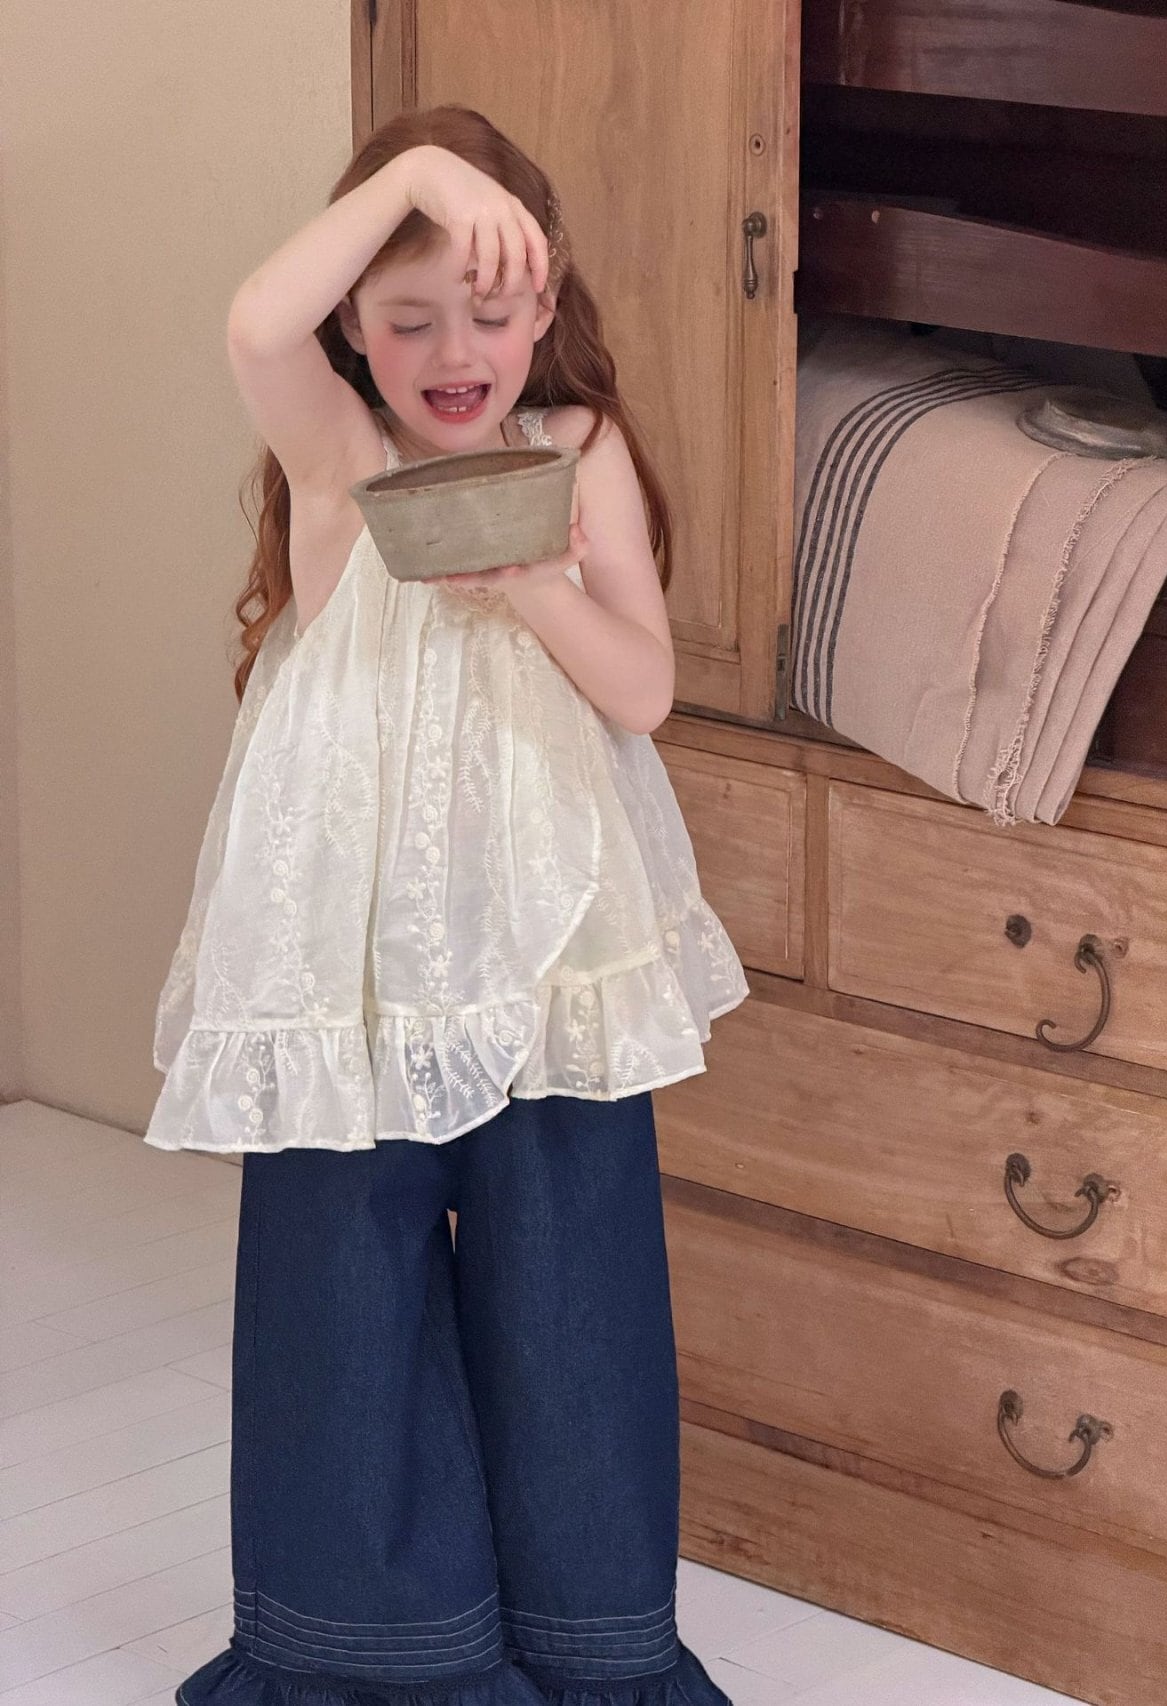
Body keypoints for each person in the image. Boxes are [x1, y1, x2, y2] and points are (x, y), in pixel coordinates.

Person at [144, 102, 749, 1706]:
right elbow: (253, 320)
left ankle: (594, 1642)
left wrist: (531, 585)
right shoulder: (340, 466)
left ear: (544, 300)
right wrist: (420, 176)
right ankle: (372, 1652)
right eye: (406, 318)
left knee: (573, 1282)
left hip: (554, 951)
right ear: (353, 330)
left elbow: (645, 690)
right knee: (341, 1286)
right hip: (351, 968)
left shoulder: (575, 451)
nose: (452, 351)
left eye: (487, 309)